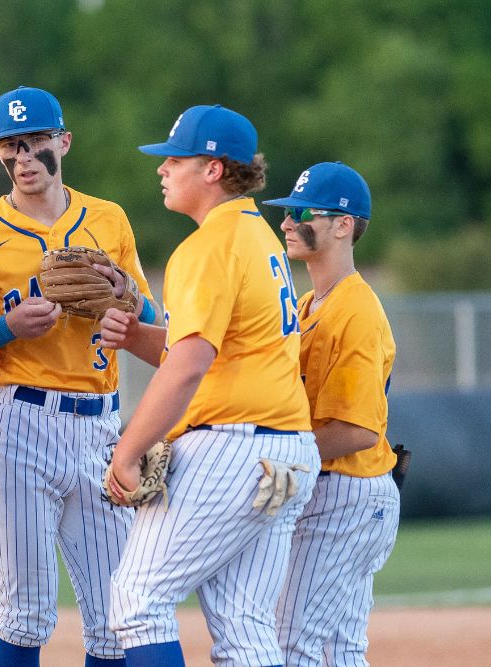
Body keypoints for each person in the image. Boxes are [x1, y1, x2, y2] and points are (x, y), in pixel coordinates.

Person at [0, 86, 158, 666]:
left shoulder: (108, 219)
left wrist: (126, 297)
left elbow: (156, 317)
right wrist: (2, 329)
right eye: (10, 145)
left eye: (36, 141)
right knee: (27, 615)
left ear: (63, 141)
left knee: (116, 619)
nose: (24, 156)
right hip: (22, 424)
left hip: (102, 427)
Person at [104, 104, 320, 667]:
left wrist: (127, 452)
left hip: (233, 449)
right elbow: (208, 347)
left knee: (137, 599)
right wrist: (135, 336)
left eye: (175, 158)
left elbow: (191, 362)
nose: (162, 169)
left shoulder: (207, 246)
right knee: (245, 627)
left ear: (213, 169)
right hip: (289, 451)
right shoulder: (258, 237)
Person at [263, 162, 400, 666]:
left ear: (344, 224)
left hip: (347, 492)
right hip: (334, 488)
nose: (286, 223)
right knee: (336, 652)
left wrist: (278, 453)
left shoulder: (356, 312)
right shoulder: (308, 304)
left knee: (289, 645)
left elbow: (358, 430)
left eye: (301, 213)